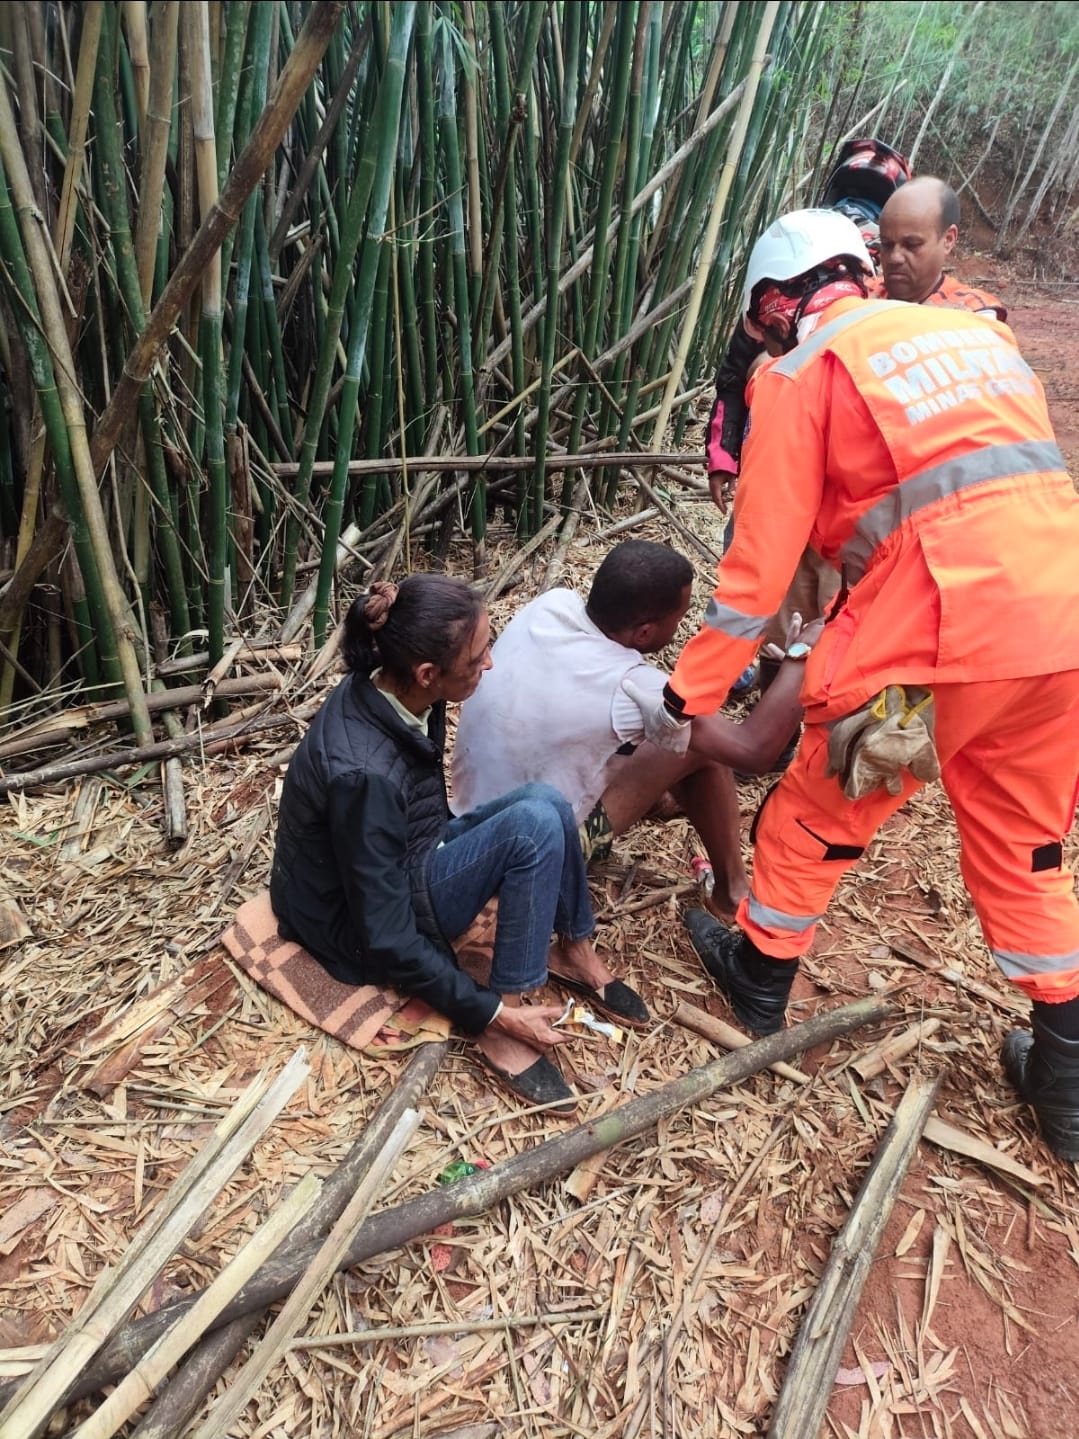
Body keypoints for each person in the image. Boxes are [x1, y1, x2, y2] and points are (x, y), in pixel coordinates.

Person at [646, 208, 1079, 1161]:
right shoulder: (979, 335)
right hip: (1060, 627)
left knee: (817, 804)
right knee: (1029, 839)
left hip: (944, 636)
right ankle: (1068, 1080)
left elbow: (752, 579)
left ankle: (757, 979)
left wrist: (685, 695)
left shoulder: (799, 375)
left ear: (772, 307)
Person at [270, 575, 648, 1117]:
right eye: (477, 658)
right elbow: (385, 935)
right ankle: (506, 1017)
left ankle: (573, 946)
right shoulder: (364, 776)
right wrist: (485, 1011)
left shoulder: (398, 688)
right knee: (531, 830)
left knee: (548, 802)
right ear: (429, 673)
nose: (489, 664)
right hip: (350, 928)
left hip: (411, 851)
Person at [451, 540, 816, 919]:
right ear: (643, 633)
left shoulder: (551, 604)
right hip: (537, 853)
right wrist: (799, 660)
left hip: (466, 824)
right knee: (698, 747)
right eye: (679, 618)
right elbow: (755, 751)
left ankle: (664, 805)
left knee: (670, 739)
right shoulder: (632, 687)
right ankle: (732, 893)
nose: (682, 625)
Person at [871, 176, 1006, 318]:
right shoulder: (860, 293)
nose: (894, 257)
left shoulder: (971, 311)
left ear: (948, 240)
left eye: (912, 245)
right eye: (886, 244)